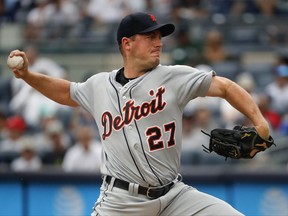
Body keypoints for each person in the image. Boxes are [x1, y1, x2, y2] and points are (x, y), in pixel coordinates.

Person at [8, 12, 271, 216]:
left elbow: (226, 87)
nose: (159, 43)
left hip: (174, 197)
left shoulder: (174, 77)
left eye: (159, 37)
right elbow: (66, 92)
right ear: (127, 44)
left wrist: (261, 123)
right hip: (121, 202)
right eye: (150, 37)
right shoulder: (99, 85)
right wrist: (29, 76)